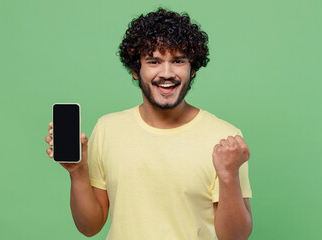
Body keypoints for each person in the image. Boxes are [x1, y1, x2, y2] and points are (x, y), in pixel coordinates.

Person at [45, 7, 252, 240]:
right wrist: (78, 171)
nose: (166, 73)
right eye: (153, 61)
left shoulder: (225, 138)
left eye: (178, 61)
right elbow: (90, 227)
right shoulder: (108, 129)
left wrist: (228, 174)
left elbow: (235, 237)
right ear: (136, 69)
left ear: (192, 70)